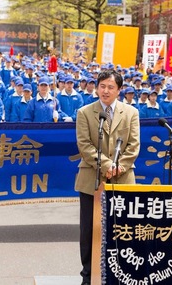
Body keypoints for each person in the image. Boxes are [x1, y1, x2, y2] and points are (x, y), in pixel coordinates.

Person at [75, 70, 140, 285]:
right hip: (92, 180)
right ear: (96, 87)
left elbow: (133, 145)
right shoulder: (85, 112)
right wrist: (105, 165)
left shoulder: (131, 113)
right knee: (89, 230)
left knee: (121, 228)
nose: (105, 90)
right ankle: (88, 274)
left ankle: (120, 273)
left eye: (111, 87)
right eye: (102, 86)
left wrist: (119, 167)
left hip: (123, 180)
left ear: (119, 90)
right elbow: (85, 146)